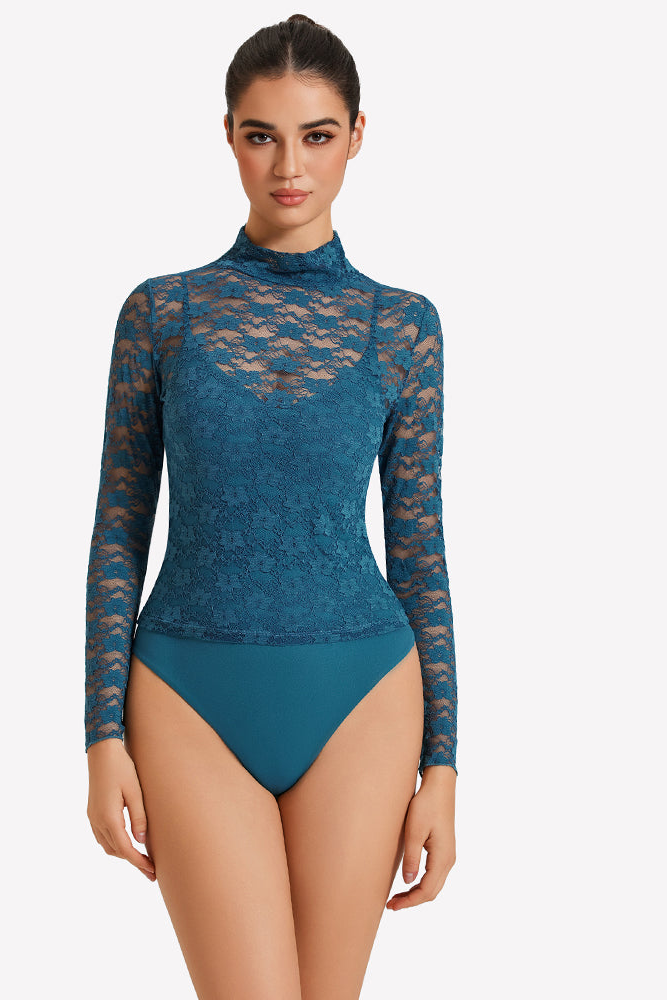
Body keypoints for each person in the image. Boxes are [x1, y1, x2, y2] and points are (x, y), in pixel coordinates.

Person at [85, 13, 458, 998]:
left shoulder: (402, 326)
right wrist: (100, 735)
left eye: (315, 135)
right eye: (261, 135)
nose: (288, 166)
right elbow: (119, 531)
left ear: (357, 135)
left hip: (364, 694)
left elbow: (419, 550)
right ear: (228, 136)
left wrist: (445, 767)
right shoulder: (160, 313)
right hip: (186, 696)